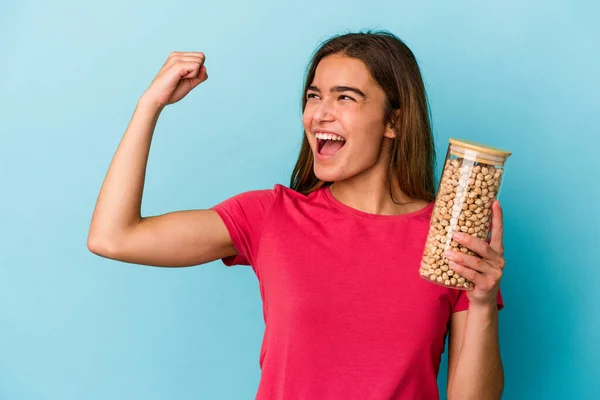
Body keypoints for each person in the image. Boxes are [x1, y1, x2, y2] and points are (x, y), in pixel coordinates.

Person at [87, 30, 505, 400]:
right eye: (313, 96)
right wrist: (150, 104)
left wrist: (483, 304)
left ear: (393, 121)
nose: (319, 113)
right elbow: (113, 237)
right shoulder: (271, 217)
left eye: (344, 97)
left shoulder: (450, 240)